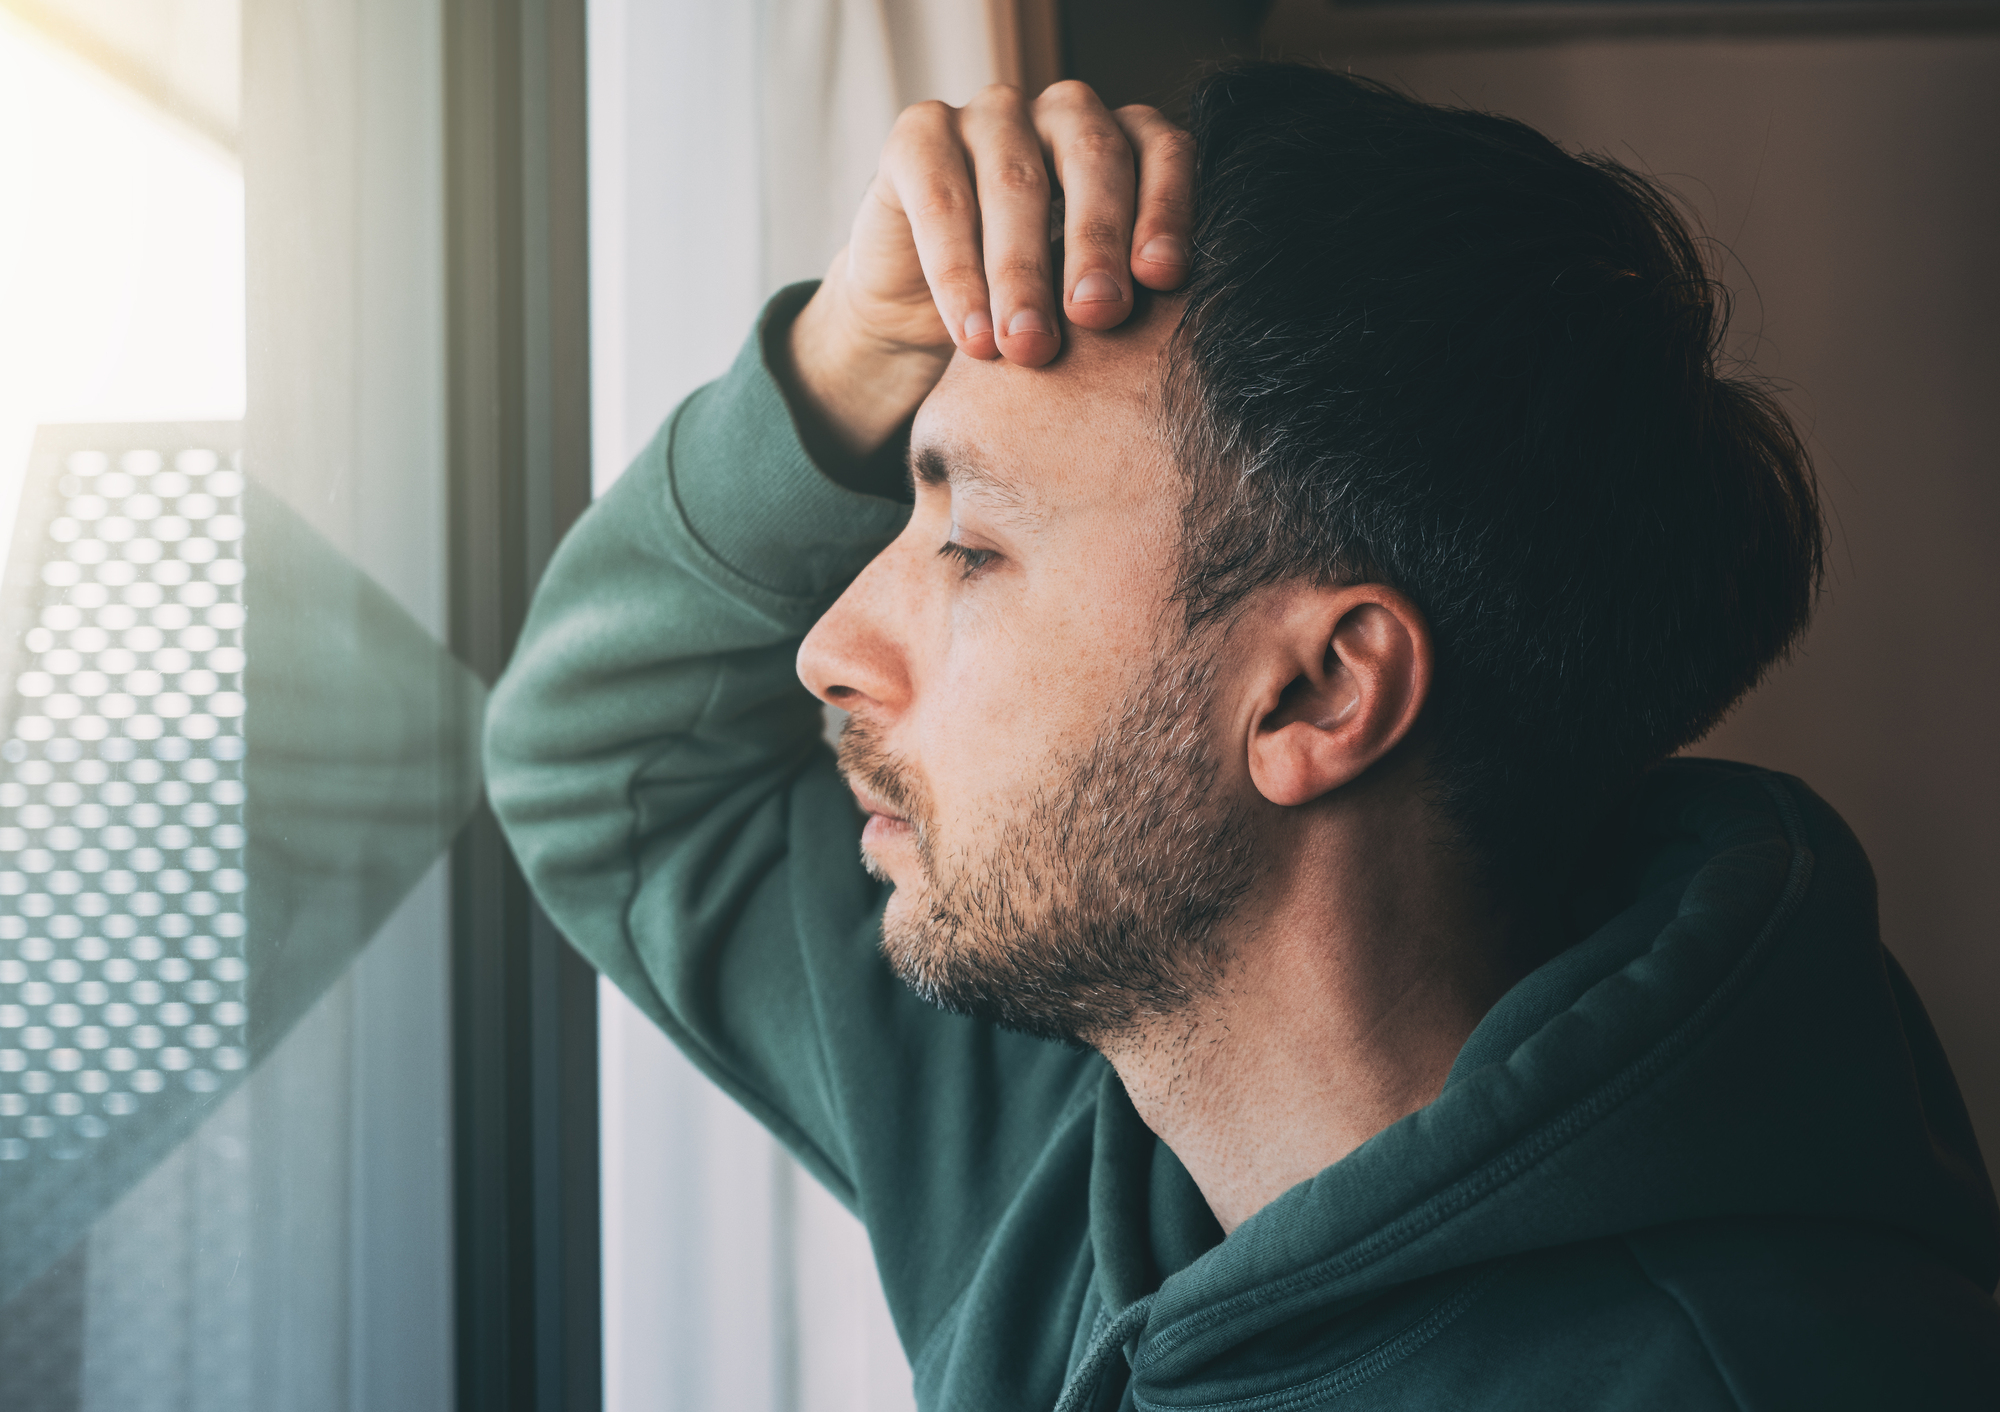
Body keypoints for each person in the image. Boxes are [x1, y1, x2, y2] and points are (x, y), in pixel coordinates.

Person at [486, 64, 2000, 1409]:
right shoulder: (1076, 1129)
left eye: (971, 550)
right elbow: (613, 762)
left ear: (1318, 696)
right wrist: (845, 359)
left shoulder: (1763, 1373)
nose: (825, 648)